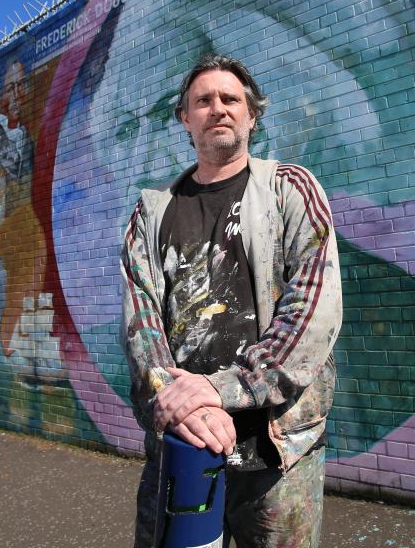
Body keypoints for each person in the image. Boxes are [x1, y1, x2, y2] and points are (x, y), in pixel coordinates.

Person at [121, 54, 343, 548]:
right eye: (203, 100)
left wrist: (225, 388)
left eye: (230, 99)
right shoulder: (152, 211)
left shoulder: (291, 188)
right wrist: (179, 403)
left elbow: (313, 309)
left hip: (276, 451)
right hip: (183, 443)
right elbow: (141, 321)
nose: (217, 108)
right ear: (185, 118)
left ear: (251, 114)